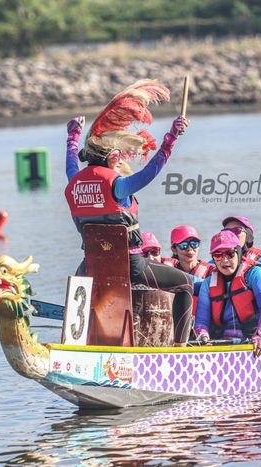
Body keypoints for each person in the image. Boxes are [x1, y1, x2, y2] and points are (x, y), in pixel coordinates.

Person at [64, 79, 194, 346]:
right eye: (120, 155)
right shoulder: (118, 186)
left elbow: (70, 160)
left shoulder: (74, 180)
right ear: (112, 157)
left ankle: (75, 342)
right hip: (130, 266)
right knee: (185, 286)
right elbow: (151, 171)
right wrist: (171, 138)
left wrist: (72, 136)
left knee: (80, 287)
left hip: (90, 265)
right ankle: (180, 349)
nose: (123, 158)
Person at [194, 230, 261, 357]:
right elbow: (201, 322)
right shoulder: (208, 284)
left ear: (239, 252)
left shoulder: (256, 273)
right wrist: (203, 336)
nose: (225, 260)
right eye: (218, 255)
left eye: (229, 253)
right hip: (227, 342)